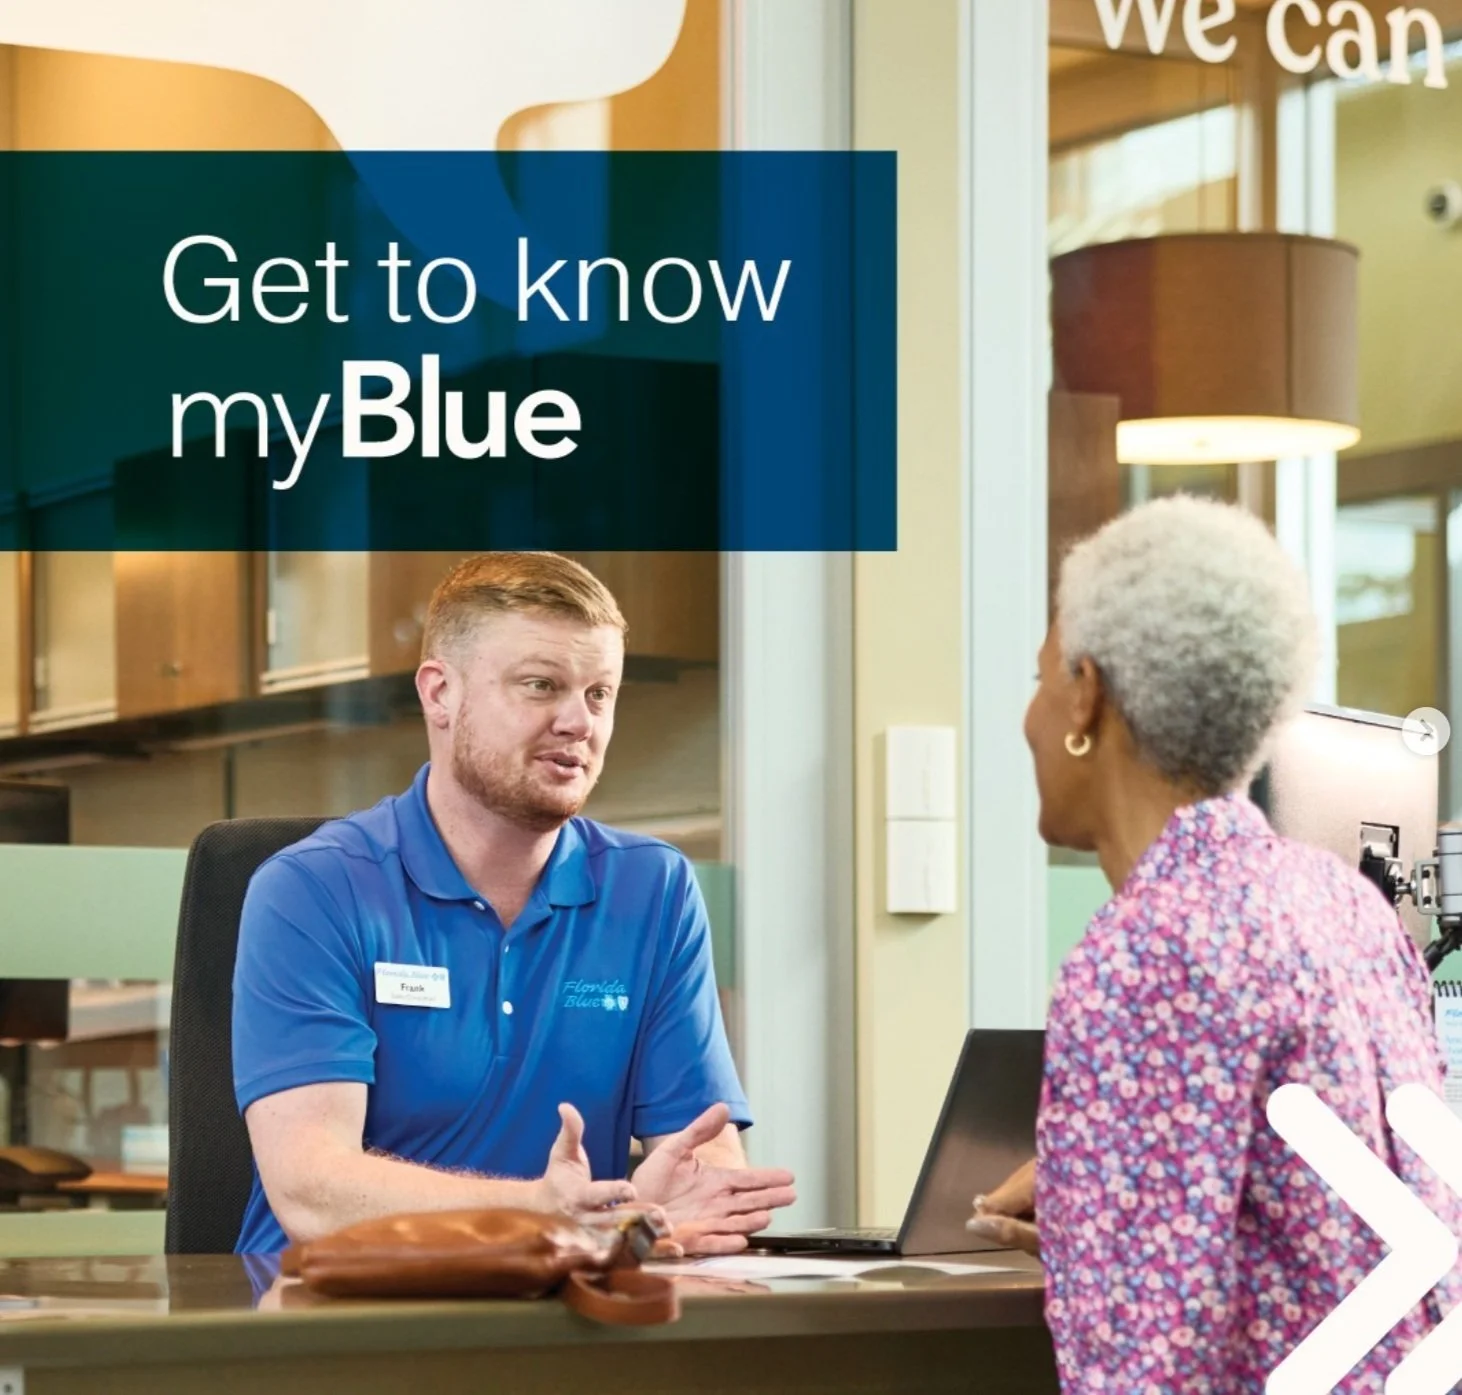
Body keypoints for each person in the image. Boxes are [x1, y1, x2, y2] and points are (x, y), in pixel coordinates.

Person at [968, 497, 1459, 1391]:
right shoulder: (1349, 907)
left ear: (1087, 693)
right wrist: (1100, 1208)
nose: (1029, 720)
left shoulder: (1147, 954)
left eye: (1042, 682)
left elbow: (1138, 1364)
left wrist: (1114, 1251)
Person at [232, 552, 795, 1255]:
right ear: (440, 693)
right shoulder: (314, 890)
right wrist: (538, 1212)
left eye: (599, 693)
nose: (579, 722)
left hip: (570, 1323)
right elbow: (312, 1191)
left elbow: (700, 1152)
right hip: (335, 1327)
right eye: (540, 685)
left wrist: (682, 1197)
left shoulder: (654, 891)